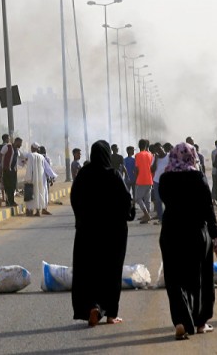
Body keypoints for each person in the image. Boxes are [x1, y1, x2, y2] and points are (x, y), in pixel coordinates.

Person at [158, 142, 217, 339]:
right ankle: (200, 322)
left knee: (174, 278)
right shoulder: (198, 177)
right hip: (196, 232)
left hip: (171, 232)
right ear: (192, 156)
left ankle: (180, 321)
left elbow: (164, 201)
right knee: (200, 277)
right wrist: (215, 234)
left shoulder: (165, 178)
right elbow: (207, 207)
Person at [71, 140, 133, 327]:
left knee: (88, 271)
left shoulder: (83, 174)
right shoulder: (113, 175)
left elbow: (74, 198)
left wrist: (81, 219)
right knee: (111, 272)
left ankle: (92, 306)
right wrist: (128, 214)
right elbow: (126, 201)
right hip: (113, 234)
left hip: (87, 233)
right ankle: (110, 314)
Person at [20, 143, 57, 216]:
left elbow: (23, 158)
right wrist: (52, 176)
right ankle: (38, 211)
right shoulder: (42, 157)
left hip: (32, 178)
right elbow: (47, 168)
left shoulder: (30, 155)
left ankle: (30, 211)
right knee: (40, 194)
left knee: (31, 194)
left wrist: (28, 178)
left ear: (32, 148)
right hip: (41, 179)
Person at [134, 139, 153, 223]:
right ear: (146, 146)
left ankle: (146, 214)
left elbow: (137, 169)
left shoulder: (138, 155)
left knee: (138, 198)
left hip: (141, 179)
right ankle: (146, 215)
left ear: (139, 146)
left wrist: (135, 177)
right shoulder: (150, 154)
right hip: (149, 178)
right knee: (147, 198)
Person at [1, 137, 22, 207]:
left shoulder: (17, 150)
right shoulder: (7, 146)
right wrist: (2, 166)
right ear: (16, 142)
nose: (21, 145)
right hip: (7, 170)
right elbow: (1, 155)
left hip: (13, 170)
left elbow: (17, 159)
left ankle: (10, 201)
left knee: (13, 186)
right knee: (8, 186)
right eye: (20, 143)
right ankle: (10, 201)